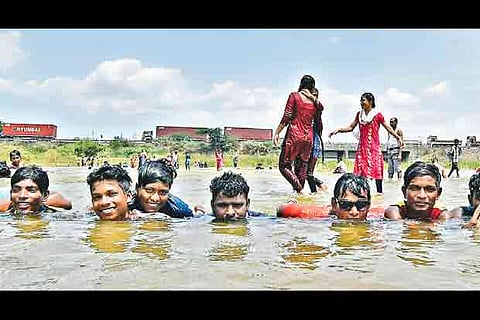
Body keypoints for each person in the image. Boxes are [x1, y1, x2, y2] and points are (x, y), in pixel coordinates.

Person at [328, 92, 404, 194]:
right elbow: (350, 127)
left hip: (374, 148)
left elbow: (388, 128)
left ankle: (379, 194)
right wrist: (338, 130)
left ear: (370, 101)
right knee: (360, 173)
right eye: (361, 100)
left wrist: (398, 138)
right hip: (362, 149)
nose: (361, 102)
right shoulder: (359, 115)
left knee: (377, 171)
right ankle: (362, 194)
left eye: (363, 100)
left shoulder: (378, 115)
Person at [273, 74, 322, 193]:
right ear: (312, 87)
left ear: (301, 84)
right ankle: (299, 195)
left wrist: (277, 132)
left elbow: (287, 116)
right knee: (302, 167)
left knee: (284, 166)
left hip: (294, 136)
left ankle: (299, 189)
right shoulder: (315, 103)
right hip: (308, 138)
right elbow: (319, 124)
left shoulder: (294, 96)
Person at [277, 172, 372, 221]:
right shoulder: (315, 214)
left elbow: (387, 211)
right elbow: (281, 209)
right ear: (334, 205)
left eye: (361, 205)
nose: (354, 212)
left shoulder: (374, 215)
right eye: (346, 205)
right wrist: (290, 204)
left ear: (368, 206)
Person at [384, 161, 458, 221]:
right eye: (414, 189)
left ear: (438, 194)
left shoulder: (443, 216)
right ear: (404, 191)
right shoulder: (395, 213)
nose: (422, 196)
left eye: (429, 189)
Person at [129, 158, 194, 218]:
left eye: (163, 192)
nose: (155, 198)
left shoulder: (179, 209)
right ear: (137, 188)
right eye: (149, 190)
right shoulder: (128, 202)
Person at [306, 87, 327, 193]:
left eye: (315, 95)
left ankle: (314, 192)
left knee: (308, 173)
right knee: (301, 172)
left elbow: (321, 106)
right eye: (311, 94)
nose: (312, 97)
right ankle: (319, 185)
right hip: (304, 143)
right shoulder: (304, 108)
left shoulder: (317, 108)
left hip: (314, 143)